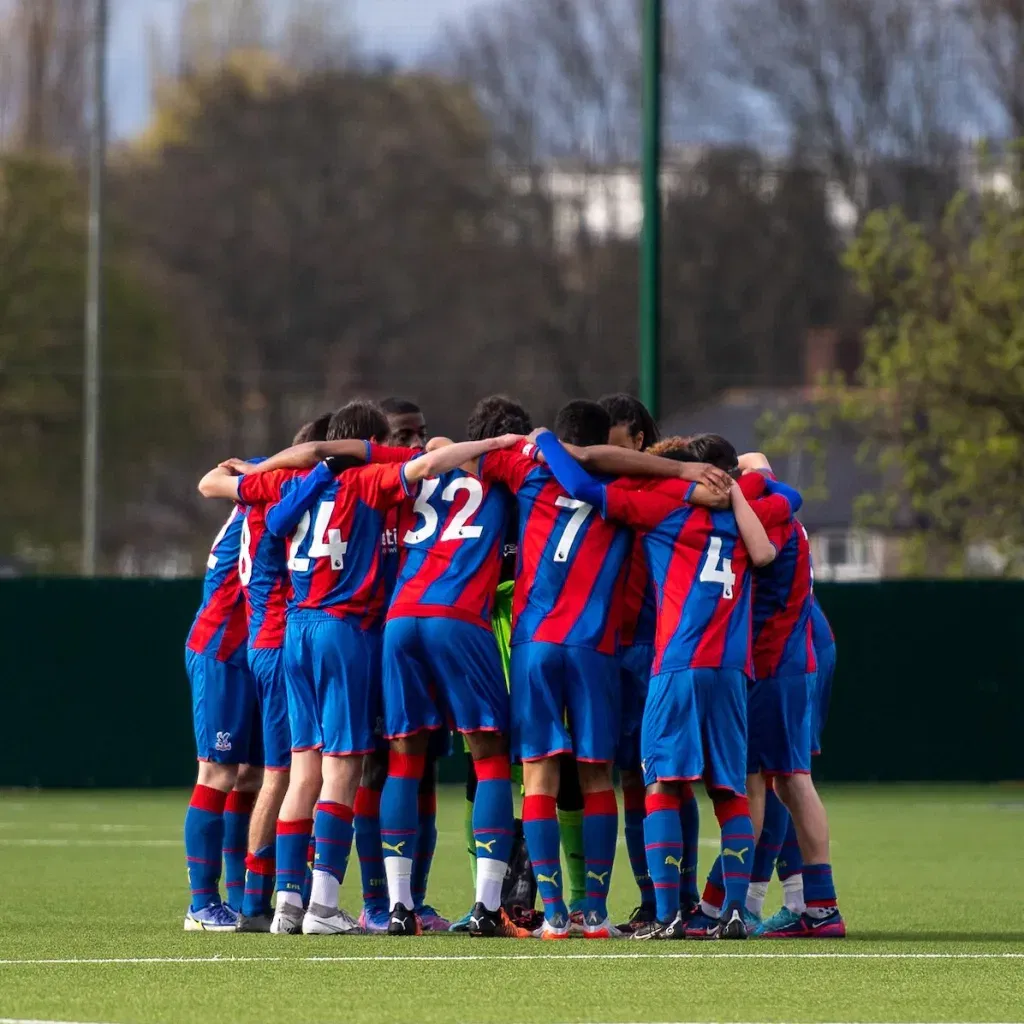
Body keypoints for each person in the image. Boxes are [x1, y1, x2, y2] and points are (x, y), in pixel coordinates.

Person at [533, 429, 799, 940]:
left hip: (676, 664)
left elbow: (583, 487)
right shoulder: (754, 517)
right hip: (730, 670)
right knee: (729, 790)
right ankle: (736, 912)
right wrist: (740, 486)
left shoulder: (664, 508)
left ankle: (667, 912)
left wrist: (546, 441)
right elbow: (783, 500)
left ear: (699, 472)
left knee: (661, 784)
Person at [377, 406, 536, 938]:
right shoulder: (503, 475)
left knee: (404, 763)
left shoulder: (427, 466)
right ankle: (487, 908)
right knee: (491, 758)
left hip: (400, 620)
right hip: (459, 618)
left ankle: (400, 909)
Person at [234, 413, 331, 932]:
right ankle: (255, 900)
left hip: (268, 640)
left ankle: (271, 891)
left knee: (290, 770)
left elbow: (215, 480)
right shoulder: (287, 492)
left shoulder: (258, 486)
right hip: (277, 640)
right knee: (283, 773)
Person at [182, 501, 261, 931]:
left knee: (248, 776)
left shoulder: (255, 490)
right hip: (220, 650)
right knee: (216, 773)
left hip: (243, 652)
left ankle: (235, 897)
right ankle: (201, 903)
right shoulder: (270, 493)